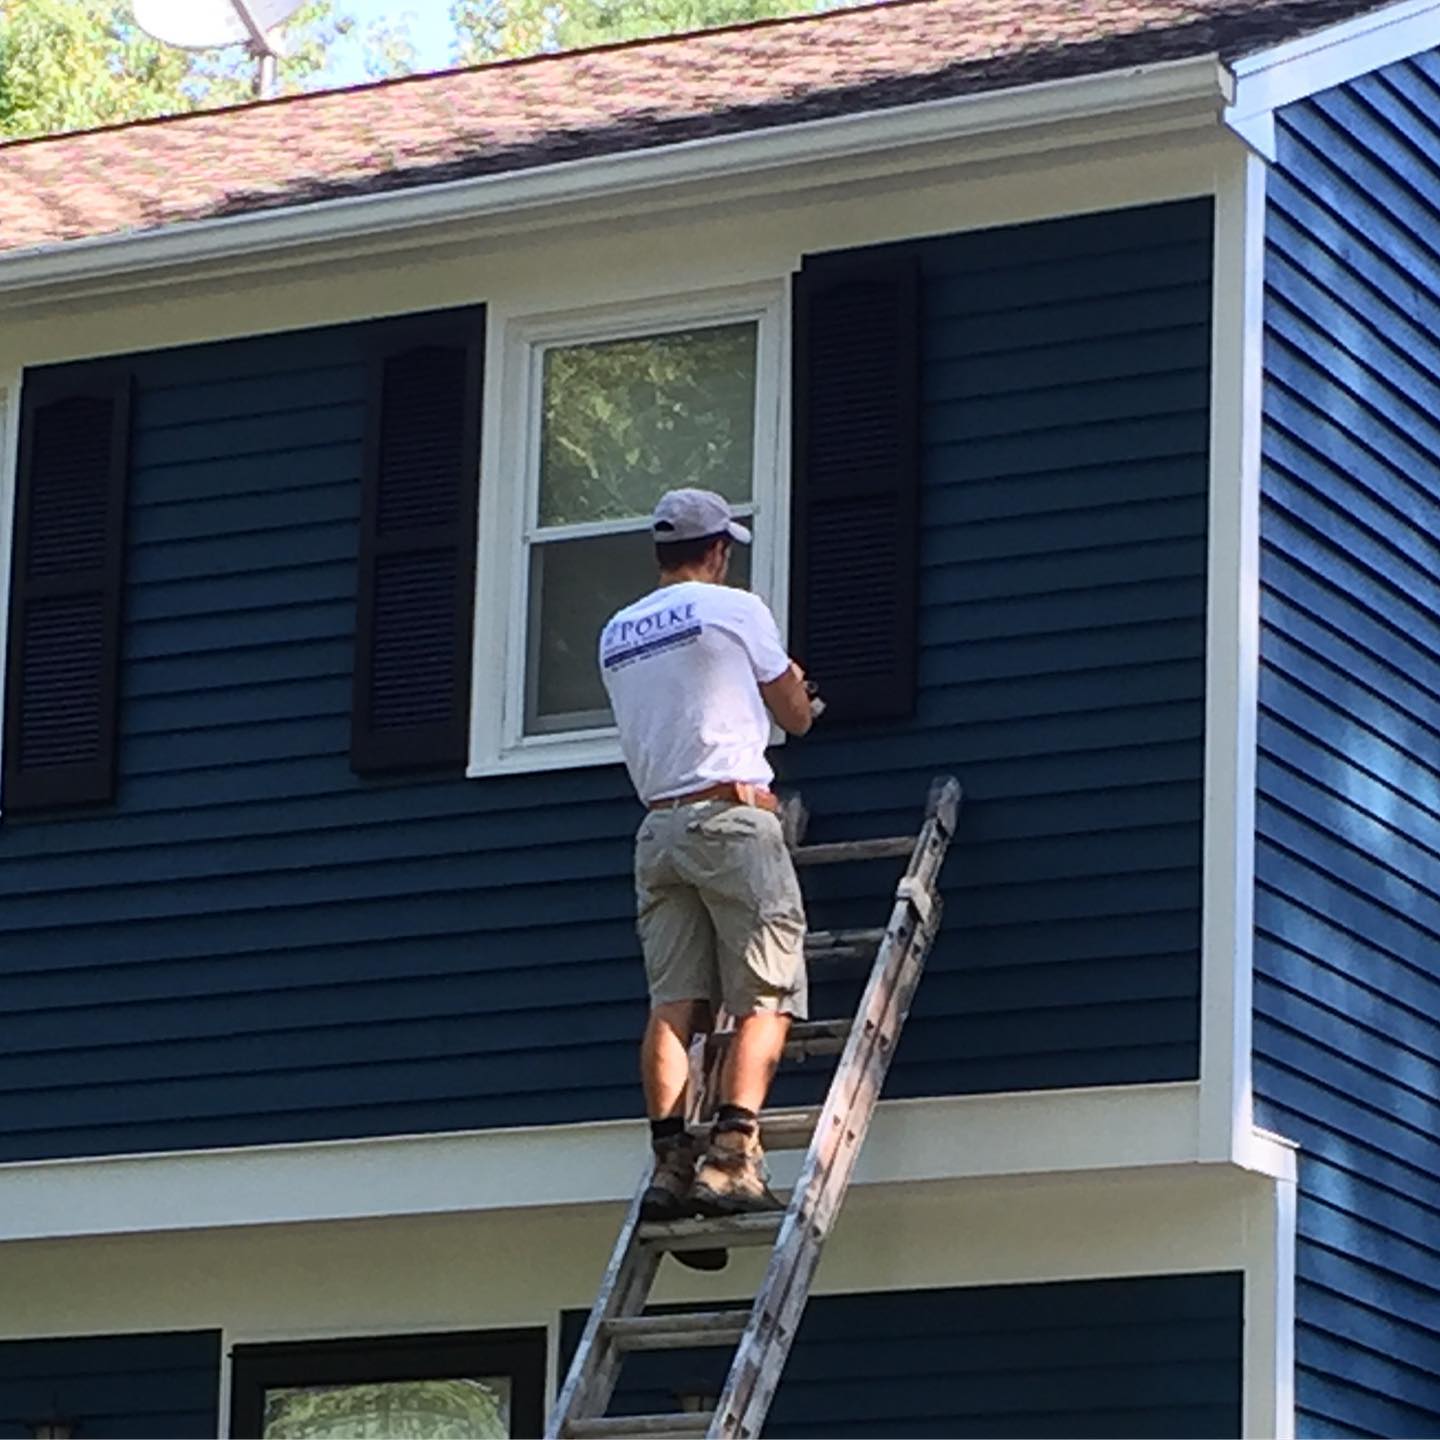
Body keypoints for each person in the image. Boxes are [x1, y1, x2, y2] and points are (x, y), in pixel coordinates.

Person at [599, 487, 816, 1256]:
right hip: (729, 817)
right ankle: (731, 1157)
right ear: (718, 550)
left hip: (658, 829)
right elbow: (790, 708)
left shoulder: (617, 632)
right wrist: (803, 703)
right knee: (767, 989)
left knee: (673, 1004)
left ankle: (669, 1160)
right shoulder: (735, 609)